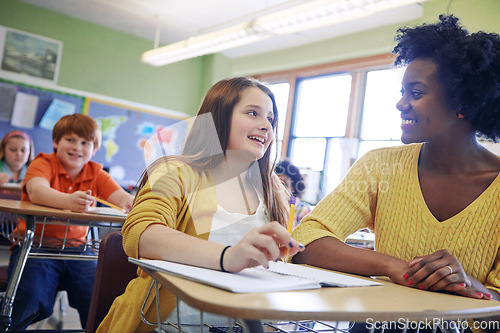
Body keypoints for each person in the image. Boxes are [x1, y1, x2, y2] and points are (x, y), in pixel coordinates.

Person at [292, 15, 500, 332]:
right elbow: (305, 242)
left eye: (416, 93)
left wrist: (470, 285)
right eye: (403, 91)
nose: (401, 103)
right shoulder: (380, 165)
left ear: (462, 102)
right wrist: (392, 265)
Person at [97, 77, 304, 333]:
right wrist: (228, 256)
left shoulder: (274, 192)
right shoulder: (174, 172)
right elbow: (140, 234)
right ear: (219, 116)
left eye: (271, 120)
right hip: (166, 325)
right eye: (253, 113)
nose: (266, 126)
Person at [7, 113, 135, 330]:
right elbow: (37, 191)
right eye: (70, 140)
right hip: (35, 246)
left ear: (94, 149)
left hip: (78, 249)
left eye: (85, 142)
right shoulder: (43, 162)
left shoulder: (95, 171)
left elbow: (121, 197)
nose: (77, 147)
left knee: (100, 297)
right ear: (56, 142)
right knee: (31, 298)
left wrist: (133, 203)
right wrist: (68, 200)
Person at [275, 159, 312, 229]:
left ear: (293, 188)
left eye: (283, 184)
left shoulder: (303, 211)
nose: (278, 188)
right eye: (275, 183)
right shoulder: (269, 207)